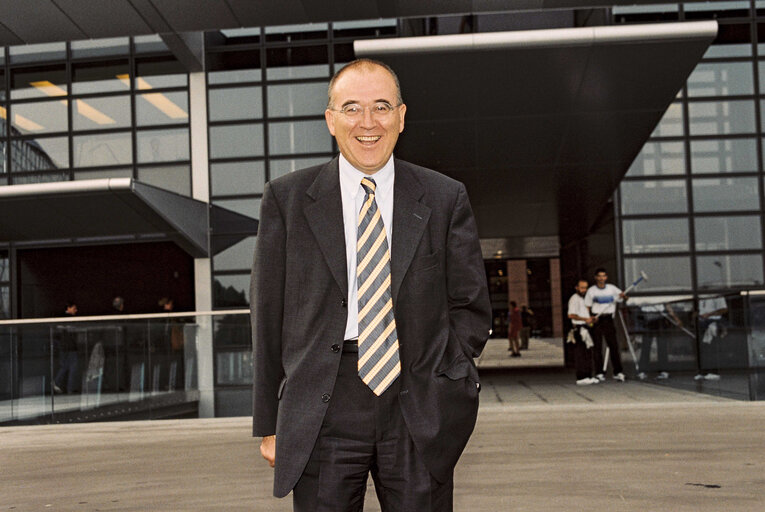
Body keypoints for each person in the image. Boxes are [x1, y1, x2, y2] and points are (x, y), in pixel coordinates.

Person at [251, 58, 492, 511]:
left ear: (401, 117)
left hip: (417, 403)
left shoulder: (444, 197)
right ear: (331, 120)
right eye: (352, 108)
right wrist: (269, 420)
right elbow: (267, 316)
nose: (368, 123)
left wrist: (446, 377)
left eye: (381, 107)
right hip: (322, 406)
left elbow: (472, 305)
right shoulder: (286, 200)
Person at [584, 268, 627, 382]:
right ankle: (599, 372)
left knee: (613, 346)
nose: (601, 278)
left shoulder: (612, 289)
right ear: (596, 277)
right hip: (597, 319)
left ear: (606, 277)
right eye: (599, 276)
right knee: (597, 347)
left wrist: (623, 296)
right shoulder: (591, 291)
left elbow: (623, 298)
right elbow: (587, 306)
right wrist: (590, 318)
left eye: (604, 276)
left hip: (608, 319)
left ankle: (618, 372)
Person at [567, 280, 598, 385]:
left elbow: (584, 315)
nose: (584, 290)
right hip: (579, 328)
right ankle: (581, 377)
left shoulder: (584, 299)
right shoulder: (574, 299)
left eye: (586, 288)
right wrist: (586, 319)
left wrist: (591, 319)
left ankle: (588, 375)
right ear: (576, 287)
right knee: (581, 353)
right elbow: (571, 315)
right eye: (582, 288)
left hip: (585, 327)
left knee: (587, 352)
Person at [695, 295, 728, 381]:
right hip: (702, 321)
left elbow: (724, 309)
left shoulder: (717, 295)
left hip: (713, 320)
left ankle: (714, 371)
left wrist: (710, 314)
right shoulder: (700, 296)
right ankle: (703, 371)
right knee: (703, 347)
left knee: (712, 347)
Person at [53, 302, 79, 394]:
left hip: (63, 347)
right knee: (73, 367)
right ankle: (70, 389)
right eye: (74, 308)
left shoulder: (60, 318)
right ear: (68, 308)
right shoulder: (69, 319)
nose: (76, 310)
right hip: (70, 347)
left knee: (65, 366)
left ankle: (57, 382)